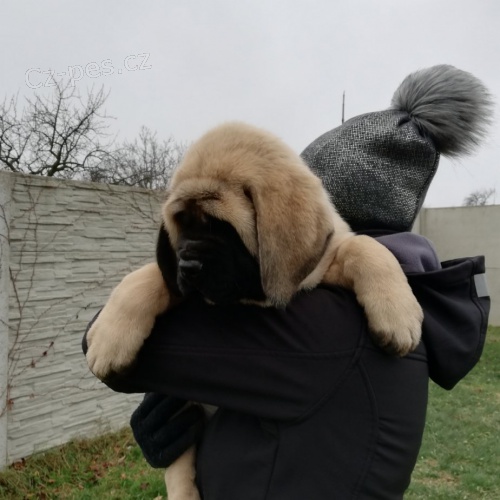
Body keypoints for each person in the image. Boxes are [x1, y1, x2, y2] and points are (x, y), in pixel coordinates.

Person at [82, 65, 492, 499]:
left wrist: (144, 294)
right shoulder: (401, 303)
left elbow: (109, 350)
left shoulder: (327, 325)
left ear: (290, 226)